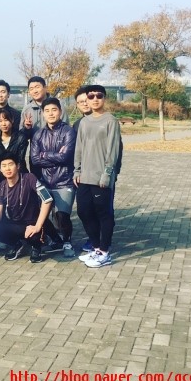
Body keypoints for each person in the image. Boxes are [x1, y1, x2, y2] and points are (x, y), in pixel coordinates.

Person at [74, 85, 121, 268]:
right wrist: (77, 170)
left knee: (104, 213)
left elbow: (113, 150)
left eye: (98, 96)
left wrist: (107, 173)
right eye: (91, 96)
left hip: (101, 176)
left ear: (104, 98)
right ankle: (95, 247)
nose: (95, 99)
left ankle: (104, 251)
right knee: (83, 211)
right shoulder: (84, 122)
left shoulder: (111, 121)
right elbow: (79, 147)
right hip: (84, 176)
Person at [0, 152, 55, 263]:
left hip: (32, 223)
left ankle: (36, 247)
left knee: (34, 237)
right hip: (14, 225)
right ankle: (16, 244)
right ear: (0, 169)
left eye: (10, 164)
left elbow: (47, 199)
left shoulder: (29, 178)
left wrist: (37, 226)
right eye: (4, 166)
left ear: (17, 166)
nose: (7, 168)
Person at [30, 97, 77, 257]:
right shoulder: (38, 134)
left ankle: (67, 242)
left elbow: (66, 157)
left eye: (54, 110)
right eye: (47, 111)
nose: (51, 113)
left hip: (64, 181)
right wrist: (56, 155)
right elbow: (34, 159)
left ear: (60, 112)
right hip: (44, 182)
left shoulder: (68, 131)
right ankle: (56, 239)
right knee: (40, 215)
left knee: (62, 216)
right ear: (43, 114)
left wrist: (44, 155)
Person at [0, 108, 29, 188]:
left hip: (18, 177)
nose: (3, 124)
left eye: (6, 120)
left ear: (12, 120)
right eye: (0, 121)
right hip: (0, 178)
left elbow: (20, 162)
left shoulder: (20, 138)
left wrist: (15, 183)